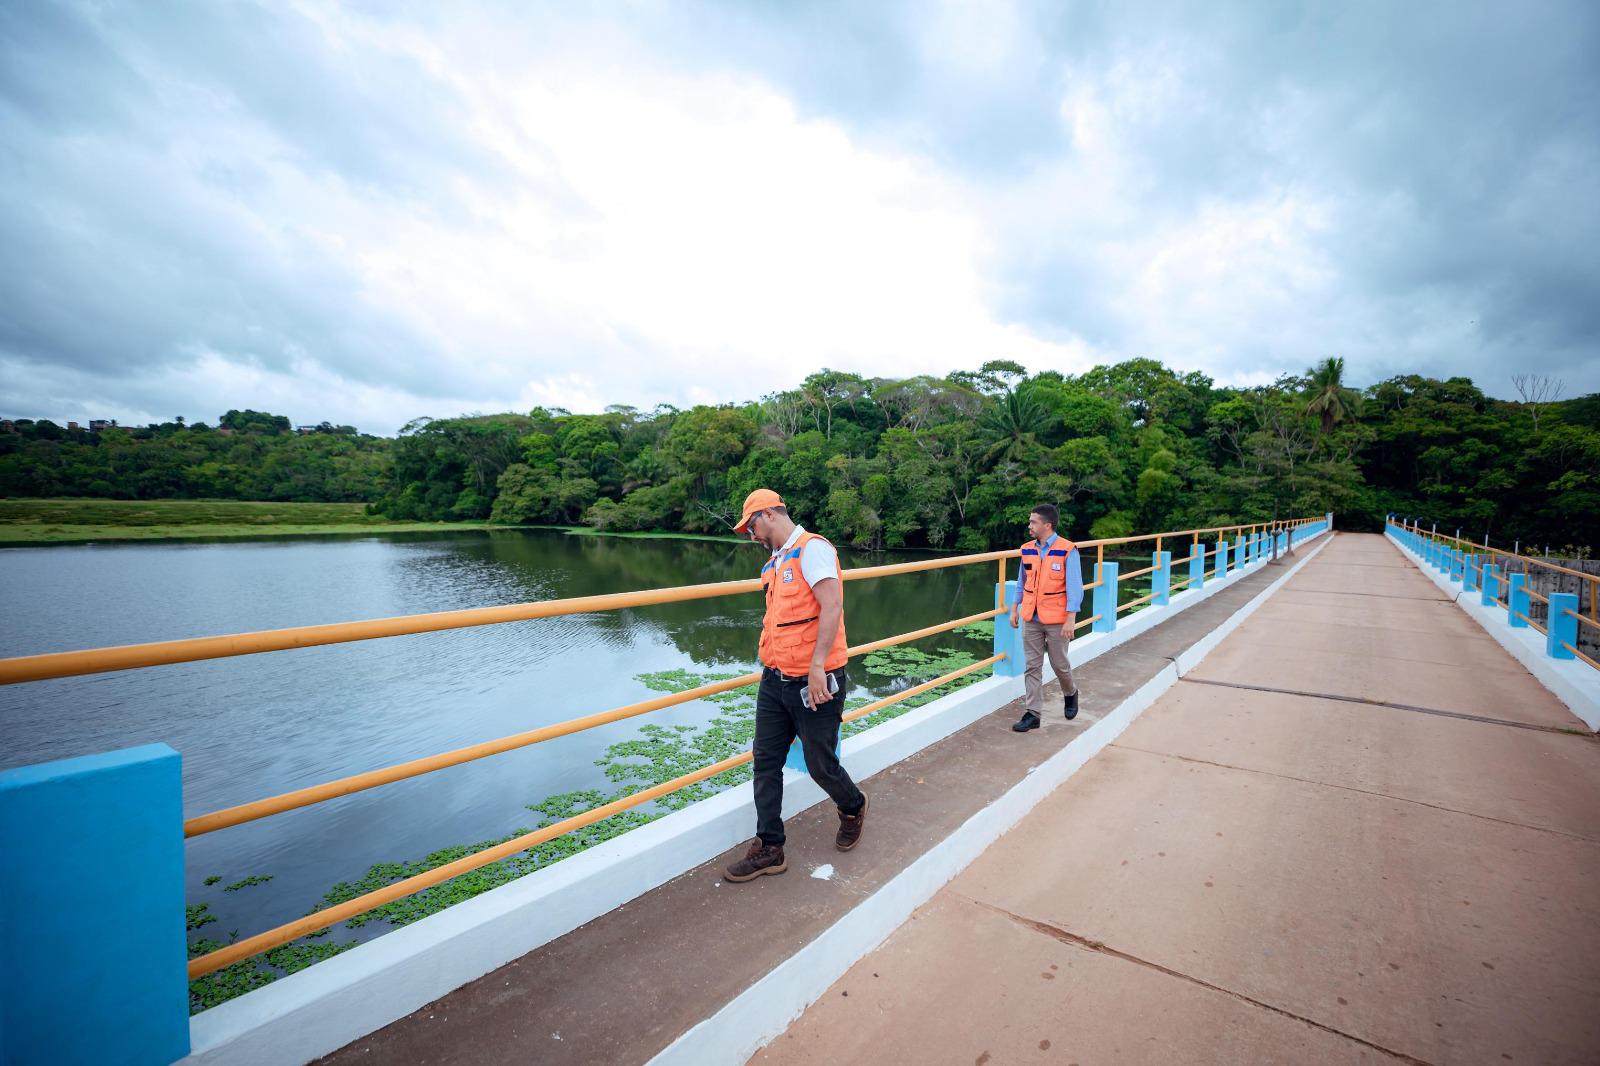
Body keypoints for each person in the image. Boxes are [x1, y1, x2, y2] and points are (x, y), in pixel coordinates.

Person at [723, 488, 869, 883]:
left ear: (770, 514)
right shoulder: (776, 561)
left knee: (820, 764)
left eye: (751, 525)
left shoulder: (812, 550)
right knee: (765, 760)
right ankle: (770, 847)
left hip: (816, 680)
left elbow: (833, 606)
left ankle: (853, 805)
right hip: (775, 679)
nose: (750, 534)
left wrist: (818, 666)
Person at [1009, 503, 1084, 732]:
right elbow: (1022, 581)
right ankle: (1033, 714)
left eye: (1033, 522)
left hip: (1057, 619)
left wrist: (1071, 618)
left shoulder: (1067, 550)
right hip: (1031, 616)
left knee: (1059, 665)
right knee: (1032, 666)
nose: (1029, 525)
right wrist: (1014, 608)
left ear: (1047, 525)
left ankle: (1071, 693)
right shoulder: (1027, 549)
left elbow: (1074, 587)